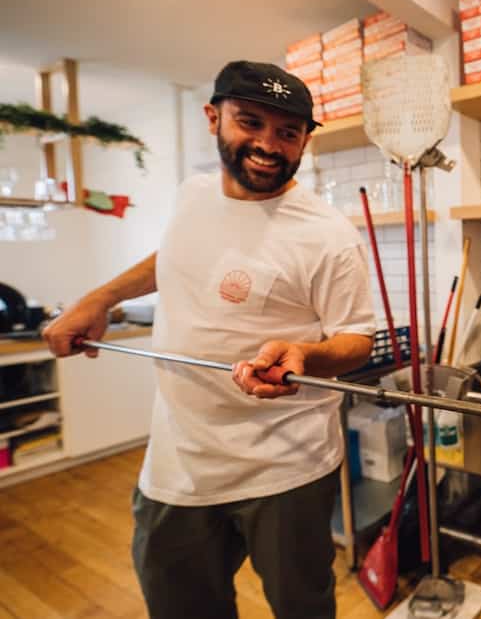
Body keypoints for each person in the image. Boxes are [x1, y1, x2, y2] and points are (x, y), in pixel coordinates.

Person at [42, 61, 376, 619]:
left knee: (303, 609)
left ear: (304, 142)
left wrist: (307, 355)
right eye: (251, 123)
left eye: (287, 132)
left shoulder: (328, 235)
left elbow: (357, 340)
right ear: (213, 117)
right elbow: (172, 258)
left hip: (286, 466)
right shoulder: (192, 195)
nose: (268, 145)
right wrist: (99, 299)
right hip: (180, 460)